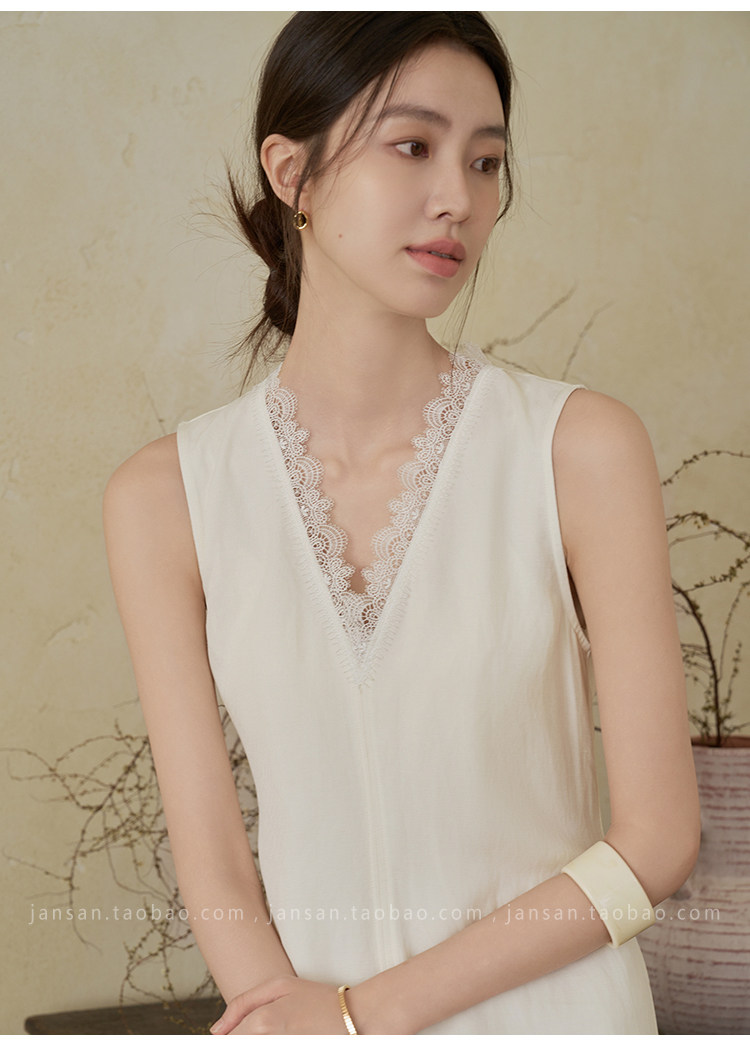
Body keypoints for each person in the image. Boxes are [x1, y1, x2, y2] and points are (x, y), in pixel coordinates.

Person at [103, 12, 701, 1036]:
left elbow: (656, 842)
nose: (457, 196)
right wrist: (294, 1024)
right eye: (414, 146)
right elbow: (213, 856)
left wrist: (359, 1016)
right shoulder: (165, 498)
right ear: (291, 171)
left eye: (486, 161)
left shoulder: (579, 448)